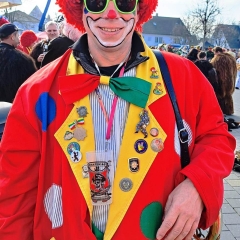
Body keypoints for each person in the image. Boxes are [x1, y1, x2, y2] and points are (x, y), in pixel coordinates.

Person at [0, 1, 235, 240]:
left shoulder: (183, 76)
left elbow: (216, 138)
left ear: (138, 10)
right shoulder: (37, 91)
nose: (111, 14)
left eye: (123, 3)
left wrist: (196, 187)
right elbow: (15, 197)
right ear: (79, 9)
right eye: (97, 2)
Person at [0, 23, 37, 103]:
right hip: (12, 106)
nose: (19, 39)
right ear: (12, 37)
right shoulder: (23, 59)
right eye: (17, 36)